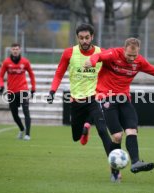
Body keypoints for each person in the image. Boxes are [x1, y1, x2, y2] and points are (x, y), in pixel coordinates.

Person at [84, 37, 154, 181]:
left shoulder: (139, 62)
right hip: (106, 97)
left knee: (131, 131)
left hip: (124, 99)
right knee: (117, 136)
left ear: (138, 52)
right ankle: (115, 171)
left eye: (134, 55)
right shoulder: (113, 54)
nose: (131, 58)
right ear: (124, 50)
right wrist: (91, 61)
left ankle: (136, 162)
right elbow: (98, 56)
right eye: (129, 55)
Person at [47, 23, 112, 164]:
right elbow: (59, 74)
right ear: (77, 38)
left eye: (87, 37)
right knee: (76, 136)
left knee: (102, 131)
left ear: (92, 37)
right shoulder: (69, 53)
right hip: (76, 100)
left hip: (95, 97)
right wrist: (52, 91)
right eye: (81, 38)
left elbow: (113, 68)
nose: (84, 41)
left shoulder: (102, 53)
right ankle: (85, 128)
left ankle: (114, 168)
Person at [0, 43, 36, 141]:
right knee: (14, 114)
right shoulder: (6, 62)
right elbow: (0, 76)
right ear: (11, 50)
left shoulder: (25, 62)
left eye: (17, 49)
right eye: (13, 49)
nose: (15, 50)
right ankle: (22, 129)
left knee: (26, 111)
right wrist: (2, 86)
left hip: (23, 90)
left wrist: (33, 88)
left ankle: (27, 134)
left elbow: (31, 75)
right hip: (11, 92)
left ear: (20, 50)